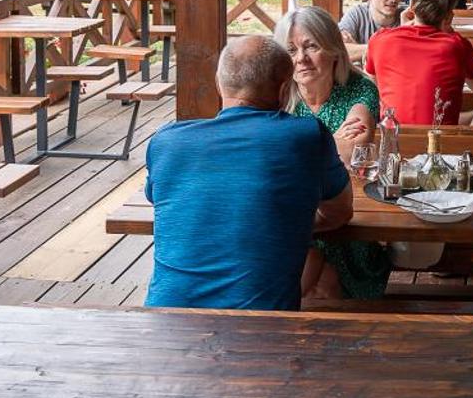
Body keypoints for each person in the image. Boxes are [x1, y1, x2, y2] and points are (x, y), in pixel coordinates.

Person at [144, 35, 353, 310]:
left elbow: (162, 201)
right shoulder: (306, 136)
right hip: (260, 328)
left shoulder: (166, 141)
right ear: (283, 90)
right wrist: (282, 221)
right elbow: (340, 211)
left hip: (164, 318)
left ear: (220, 85)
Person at [274, 6, 391, 303]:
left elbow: (355, 151)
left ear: (334, 49)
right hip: (291, 214)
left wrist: (289, 154)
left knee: (320, 281)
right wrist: (329, 145)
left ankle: (269, 318)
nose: (300, 58)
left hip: (345, 218)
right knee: (318, 283)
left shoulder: (359, 89)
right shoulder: (277, 91)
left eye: (311, 46)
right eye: (290, 50)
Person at [365, 0, 473, 127]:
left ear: (412, 7)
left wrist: (402, 29)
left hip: (393, 137)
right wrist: (451, 33)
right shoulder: (456, 45)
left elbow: (375, 86)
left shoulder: (379, 40)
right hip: (439, 138)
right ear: (449, 15)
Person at [338, 0, 403, 59]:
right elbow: (338, 50)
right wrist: (388, 48)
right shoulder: (357, 14)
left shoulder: (407, 16)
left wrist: (358, 49)